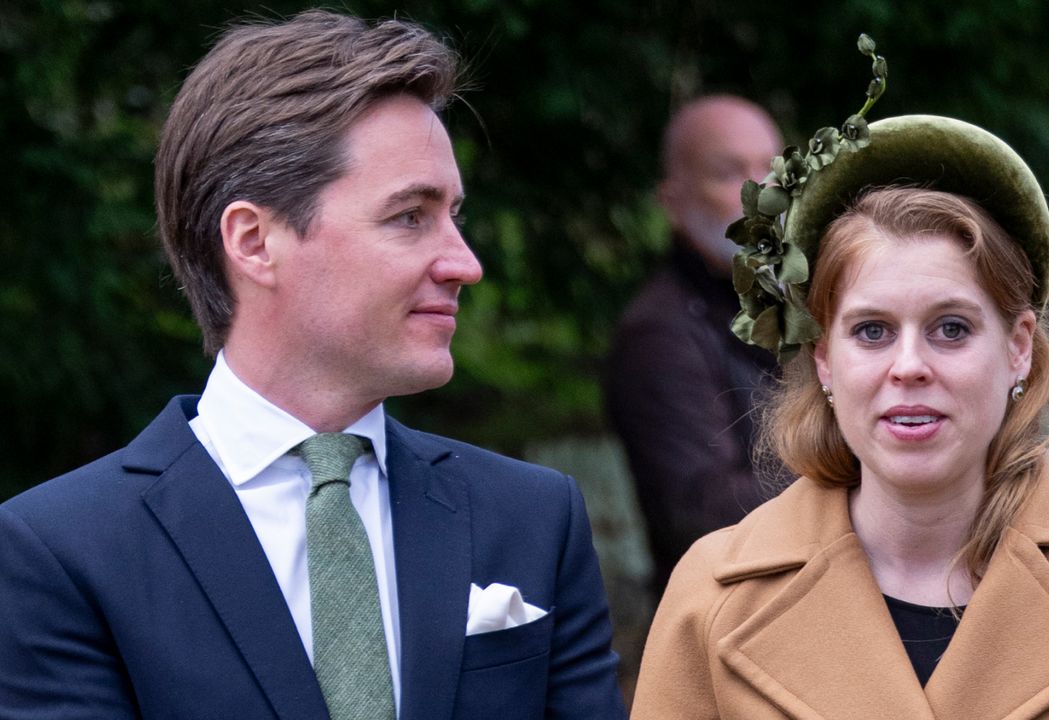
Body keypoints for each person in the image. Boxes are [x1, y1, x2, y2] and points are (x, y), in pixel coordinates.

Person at [0, 11, 625, 719]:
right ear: (254, 241)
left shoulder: (532, 518)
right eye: (409, 217)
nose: (464, 262)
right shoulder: (63, 552)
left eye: (455, 215)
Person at [632, 44, 1049, 718]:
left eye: (952, 328)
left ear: (1019, 348)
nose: (909, 366)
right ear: (823, 357)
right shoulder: (713, 599)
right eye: (872, 330)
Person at [605, 95, 783, 593]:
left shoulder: (796, 301)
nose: (761, 194)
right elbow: (703, 514)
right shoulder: (658, 334)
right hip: (727, 622)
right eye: (729, 174)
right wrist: (856, 455)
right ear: (673, 200)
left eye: (771, 170)